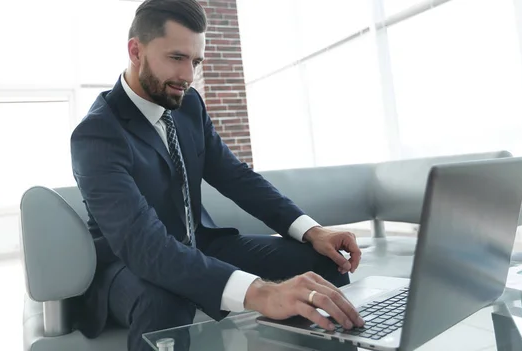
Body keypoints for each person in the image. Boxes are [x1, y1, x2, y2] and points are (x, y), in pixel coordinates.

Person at [70, 0, 364, 350]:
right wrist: (262, 293)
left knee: (320, 264)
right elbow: (143, 244)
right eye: (176, 58)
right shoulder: (97, 134)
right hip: (127, 264)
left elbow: (236, 177)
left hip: (201, 244)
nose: (188, 76)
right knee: (166, 301)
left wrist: (311, 230)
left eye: (195, 61)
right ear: (136, 51)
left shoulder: (188, 104)